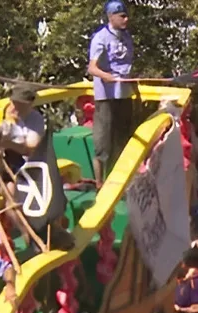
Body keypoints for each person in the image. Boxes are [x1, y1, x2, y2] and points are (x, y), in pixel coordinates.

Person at [0, 85, 71, 249]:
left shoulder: (35, 119)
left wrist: (8, 143)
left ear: (30, 103)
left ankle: (52, 230)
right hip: (9, 165)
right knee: (11, 198)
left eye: (20, 103)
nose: (16, 106)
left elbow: (31, 147)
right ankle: (26, 231)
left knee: (48, 194)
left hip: (33, 165)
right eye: (14, 102)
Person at [88, 0, 135, 186]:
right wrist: (105, 76)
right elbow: (92, 68)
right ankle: (99, 185)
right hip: (106, 96)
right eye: (122, 16)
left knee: (122, 141)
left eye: (126, 15)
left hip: (124, 94)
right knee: (103, 144)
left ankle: (118, 183)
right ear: (111, 17)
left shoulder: (127, 36)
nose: (126, 19)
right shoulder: (100, 38)